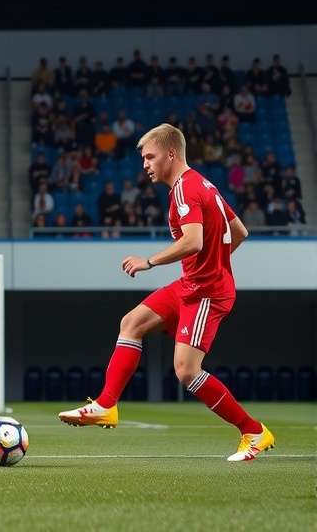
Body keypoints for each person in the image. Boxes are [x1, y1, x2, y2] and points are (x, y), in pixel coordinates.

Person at [57, 123, 275, 462]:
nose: (145, 164)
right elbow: (239, 231)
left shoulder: (186, 189)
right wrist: (213, 261)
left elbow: (194, 241)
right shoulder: (202, 183)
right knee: (132, 323)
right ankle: (105, 405)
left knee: (186, 370)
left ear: (170, 154)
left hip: (207, 293)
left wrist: (149, 261)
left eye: (150, 157)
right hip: (193, 283)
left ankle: (254, 431)